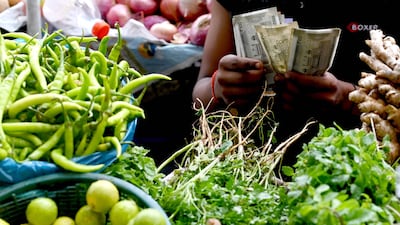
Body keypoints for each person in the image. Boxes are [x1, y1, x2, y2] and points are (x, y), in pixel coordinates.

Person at [192, 0, 399, 164]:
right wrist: (219, 88)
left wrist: (346, 98)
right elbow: (200, 93)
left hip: (356, 168)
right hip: (250, 163)